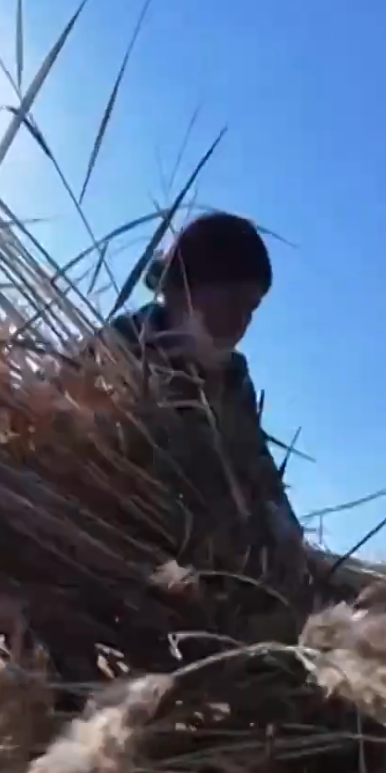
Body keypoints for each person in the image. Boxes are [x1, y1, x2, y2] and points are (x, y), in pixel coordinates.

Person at [90, 211, 307, 559]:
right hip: (118, 541)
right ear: (185, 289)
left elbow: (260, 474)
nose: (242, 322)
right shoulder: (120, 343)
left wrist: (287, 535)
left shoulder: (233, 379)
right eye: (233, 301)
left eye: (252, 309)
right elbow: (59, 411)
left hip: (207, 560)